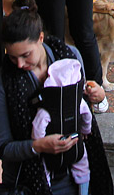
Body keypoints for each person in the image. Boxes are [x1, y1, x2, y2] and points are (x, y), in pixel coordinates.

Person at [0, 0, 111, 195]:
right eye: (12, 57)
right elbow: (2, 148)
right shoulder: (3, 82)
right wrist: (38, 146)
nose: (19, 64)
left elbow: (82, 107)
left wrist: (98, 95)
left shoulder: (70, 57)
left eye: (25, 55)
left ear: (41, 38)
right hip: (27, 183)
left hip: (76, 173)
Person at [30, 59, 93, 195]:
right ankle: (83, 190)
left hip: (51, 145)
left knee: (44, 167)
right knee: (82, 164)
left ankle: (47, 188)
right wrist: (85, 131)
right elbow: (87, 116)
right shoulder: (78, 101)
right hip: (75, 139)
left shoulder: (47, 107)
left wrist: (38, 141)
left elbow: (37, 126)